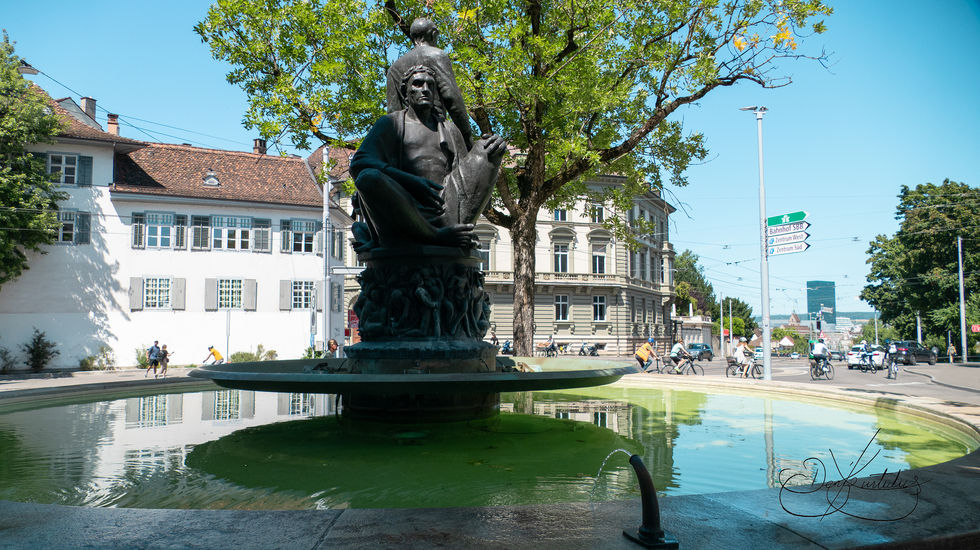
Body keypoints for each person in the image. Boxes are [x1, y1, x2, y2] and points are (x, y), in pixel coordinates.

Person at [350, 63, 506, 252]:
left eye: (430, 85)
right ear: (405, 92)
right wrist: (411, 181)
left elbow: (466, 173)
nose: (425, 90)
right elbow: (358, 163)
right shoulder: (390, 124)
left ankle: (453, 230)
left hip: (445, 204)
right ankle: (434, 236)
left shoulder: (448, 128)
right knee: (368, 178)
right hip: (404, 206)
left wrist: (494, 146)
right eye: (417, 84)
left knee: (487, 148)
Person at [386, 18, 473, 149]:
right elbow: (452, 98)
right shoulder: (437, 55)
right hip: (436, 133)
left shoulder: (394, 69)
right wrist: (467, 138)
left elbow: (393, 111)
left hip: (406, 140)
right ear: (433, 34)